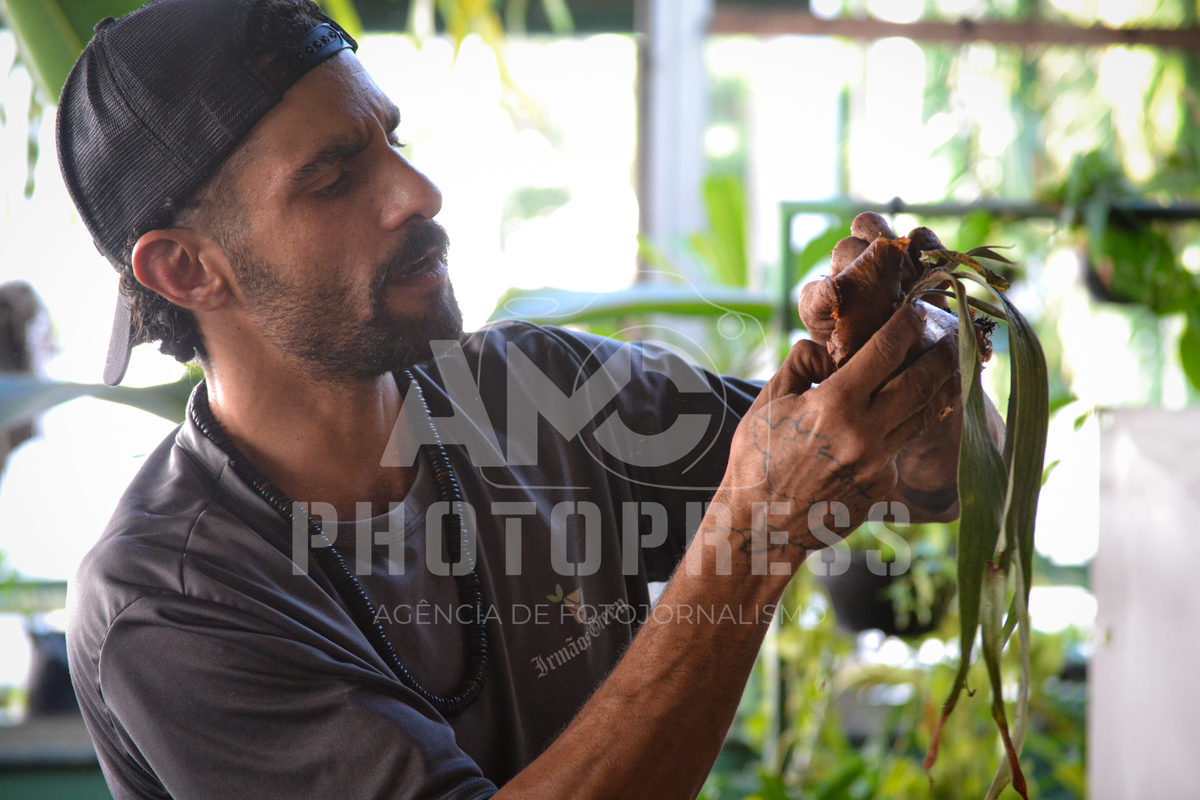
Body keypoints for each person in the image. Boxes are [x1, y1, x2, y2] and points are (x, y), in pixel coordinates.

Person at [58, 1, 972, 798]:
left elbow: (942, 480)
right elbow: (761, 510)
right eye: (334, 178)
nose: (417, 192)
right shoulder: (168, 597)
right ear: (186, 268)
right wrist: (749, 537)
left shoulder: (536, 393)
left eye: (393, 140)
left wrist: (892, 362)